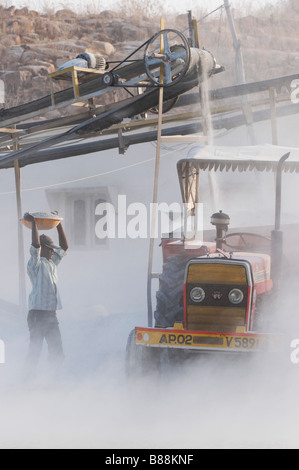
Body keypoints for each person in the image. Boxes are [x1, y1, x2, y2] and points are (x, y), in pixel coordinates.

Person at [24, 212, 68, 376]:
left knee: (57, 351)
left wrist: (58, 224)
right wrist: (34, 223)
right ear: (44, 250)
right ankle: (25, 380)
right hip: (37, 315)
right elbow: (35, 245)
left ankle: (55, 379)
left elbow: (64, 248)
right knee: (35, 350)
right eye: (50, 250)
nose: (53, 252)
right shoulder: (35, 265)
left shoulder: (52, 263)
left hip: (50, 314)